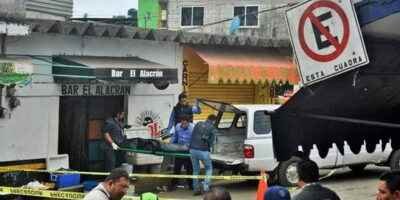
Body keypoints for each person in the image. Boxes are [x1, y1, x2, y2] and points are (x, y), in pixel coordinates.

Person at [190, 114, 218, 195]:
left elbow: (193, 135)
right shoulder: (212, 128)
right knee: (209, 168)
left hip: (192, 150)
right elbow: (212, 141)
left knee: (195, 170)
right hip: (203, 150)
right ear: (213, 121)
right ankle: (205, 188)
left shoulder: (198, 123)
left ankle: (196, 189)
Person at [169, 115, 194, 190]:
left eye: (184, 124)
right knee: (176, 168)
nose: (182, 125)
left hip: (188, 152)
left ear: (188, 123)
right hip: (179, 150)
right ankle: (173, 185)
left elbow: (195, 140)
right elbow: (175, 137)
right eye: (182, 123)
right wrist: (170, 145)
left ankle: (191, 185)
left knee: (190, 170)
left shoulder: (192, 128)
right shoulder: (178, 126)